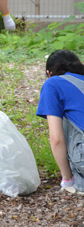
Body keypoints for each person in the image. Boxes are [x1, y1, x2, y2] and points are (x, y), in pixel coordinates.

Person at [36, 50, 84, 194]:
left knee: (62, 118)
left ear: (49, 73)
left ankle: (74, 180)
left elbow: (56, 139)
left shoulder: (53, 83)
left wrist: (67, 180)